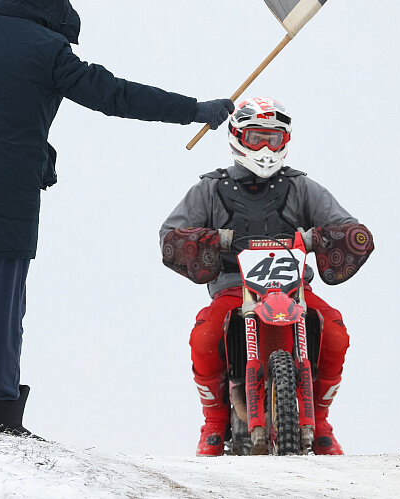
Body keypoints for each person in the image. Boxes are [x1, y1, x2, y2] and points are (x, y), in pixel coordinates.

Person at [0, 0, 234, 435]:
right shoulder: (47, 49)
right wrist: (195, 109)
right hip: (5, 205)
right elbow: (115, 95)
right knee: (5, 309)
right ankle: (2, 412)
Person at [159, 97, 374, 455]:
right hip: (234, 289)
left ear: (285, 142)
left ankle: (320, 420)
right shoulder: (210, 188)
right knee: (205, 336)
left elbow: (350, 228)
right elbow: (171, 234)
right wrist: (215, 238)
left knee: (334, 331)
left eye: (273, 139)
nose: (265, 148)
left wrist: (317, 237)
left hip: (295, 290)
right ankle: (213, 422)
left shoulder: (302, 187)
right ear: (237, 137)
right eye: (256, 137)